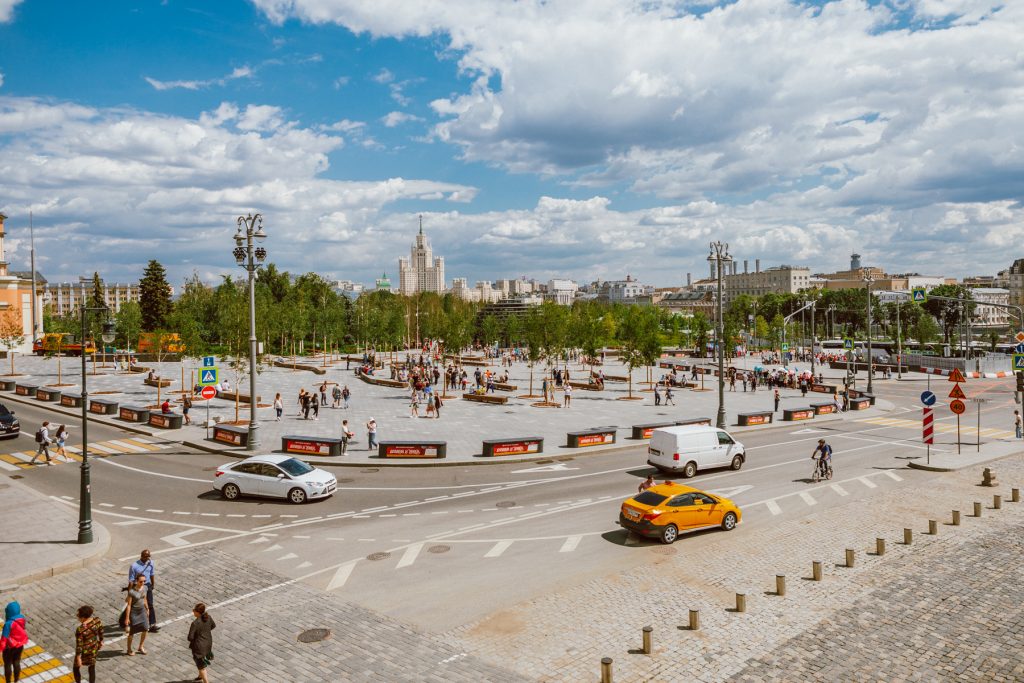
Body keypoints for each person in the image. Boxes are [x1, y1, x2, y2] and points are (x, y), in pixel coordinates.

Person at [128, 549, 159, 632]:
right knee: (136, 605)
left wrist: (152, 584)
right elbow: (131, 580)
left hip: (147, 585)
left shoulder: (151, 563)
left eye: (149, 556)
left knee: (150, 604)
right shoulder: (134, 566)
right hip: (138, 587)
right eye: (146, 556)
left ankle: (152, 624)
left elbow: (152, 574)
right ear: (142, 556)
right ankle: (131, 621)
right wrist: (130, 591)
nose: (148, 558)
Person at [73, 605, 103, 683]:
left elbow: (79, 645)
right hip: (94, 649)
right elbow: (101, 631)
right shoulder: (97, 620)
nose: (77, 617)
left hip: (84, 651)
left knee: (76, 668)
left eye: (78, 615)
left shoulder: (80, 629)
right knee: (92, 667)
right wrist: (101, 641)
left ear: (83, 617)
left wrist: (78, 658)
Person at [187, 603, 215, 683]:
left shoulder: (195, 623)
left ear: (198, 612)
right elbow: (213, 626)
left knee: (201, 666)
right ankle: (200, 676)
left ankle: (206, 681)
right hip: (208, 643)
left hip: (199, 648)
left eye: (194, 610)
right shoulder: (208, 617)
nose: (193, 612)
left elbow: (190, 638)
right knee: (201, 662)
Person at [1, 601, 27, 683]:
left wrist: (1, 648)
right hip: (20, 645)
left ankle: (8, 681)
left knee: (7, 664)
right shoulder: (22, 619)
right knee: (16, 662)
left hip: (9, 647)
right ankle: (16, 680)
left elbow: (4, 639)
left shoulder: (8, 624)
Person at [124, 574, 150, 655]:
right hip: (134, 613)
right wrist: (127, 618)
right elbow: (128, 605)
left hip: (142, 611)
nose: (143, 583)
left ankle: (141, 646)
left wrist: (147, 608)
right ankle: (129, 649)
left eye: (144, 581)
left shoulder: (145, 588)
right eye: (141, 581)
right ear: (137, 581)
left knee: (145, 628)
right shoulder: (132, 592)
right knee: (132, 632)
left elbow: (144, 598)